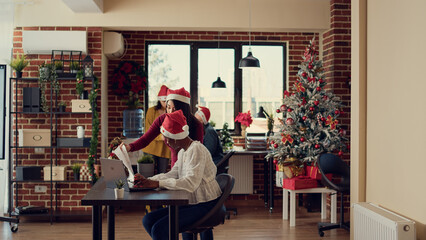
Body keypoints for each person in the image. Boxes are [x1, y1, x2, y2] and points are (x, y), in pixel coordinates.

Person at [138, 110, 222, 240]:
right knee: (148, 220)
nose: (165, 141)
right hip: (194, 202)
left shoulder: (197, 149)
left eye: (166, 137)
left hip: (206, 205)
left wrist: (157, 183)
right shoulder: (184, 151)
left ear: (175, 137)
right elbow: (173, 174)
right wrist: (148, 180)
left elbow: (190, 183)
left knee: (160, 229)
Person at [125, 87, 203, 168]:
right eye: (168, 107)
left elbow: (199, 153)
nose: (171, 112)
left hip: (192, 166)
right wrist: (130, 147)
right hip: (175, 165)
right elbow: (146, 139)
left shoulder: (196, 125)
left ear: (183, 109)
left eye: (175, 109)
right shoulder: (163, 119)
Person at [142, 85, 171, 174]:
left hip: (164, 149)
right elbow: (148, 130)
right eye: (163, 101)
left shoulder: (171, 112)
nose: (165, 104)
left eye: (167, 101)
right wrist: (161, 137)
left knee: (162, 175)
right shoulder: (151, 111)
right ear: (159, 100)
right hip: (150, 147)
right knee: (148, 175)